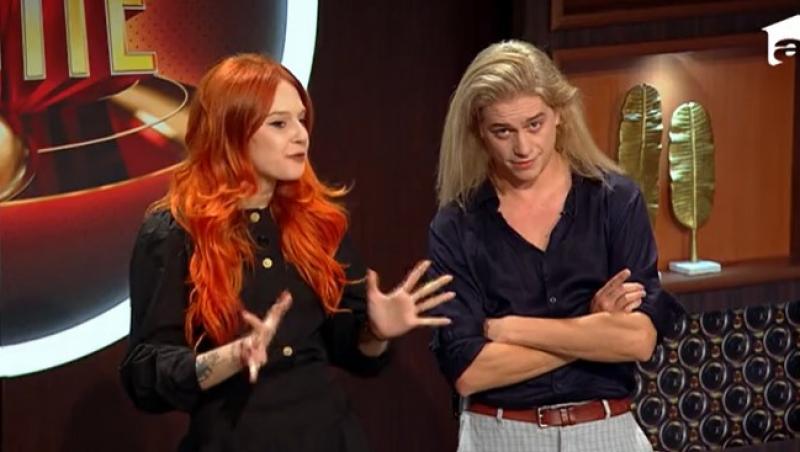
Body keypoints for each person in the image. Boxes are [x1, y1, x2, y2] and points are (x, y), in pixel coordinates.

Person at [119, 53, 454, 452]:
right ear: (231, 132)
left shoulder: (315, 222)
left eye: (301, 119)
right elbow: (145, 374)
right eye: (279, 124)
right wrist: (232, 356)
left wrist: (375, 332)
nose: (301, 135)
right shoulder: (174, 232)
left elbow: (354, 351)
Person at [427, 40, 684, 452]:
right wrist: (592, 324)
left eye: (535, 124)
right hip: (499, 434)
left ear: (560, 114)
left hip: (603, 430)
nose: (523, 148)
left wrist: (511, 329)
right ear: (478, 131)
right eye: (503, 131)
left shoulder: (615, 201)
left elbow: (637, 341)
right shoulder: (456, 225)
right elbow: (471, 372)